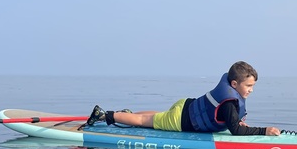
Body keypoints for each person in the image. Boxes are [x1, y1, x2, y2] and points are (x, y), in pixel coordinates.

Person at [84, 61, 281, 137]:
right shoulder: (229, 103)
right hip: (181, 120)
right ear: (235, 85)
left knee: (156, 117)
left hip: (185, 105)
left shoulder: (229, 93)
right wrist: (264, 131)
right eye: (249, 86)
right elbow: (236, 131)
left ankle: (124, 114)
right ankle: (105, 115)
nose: (251, 90)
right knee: (145, 122)